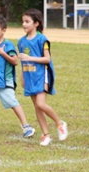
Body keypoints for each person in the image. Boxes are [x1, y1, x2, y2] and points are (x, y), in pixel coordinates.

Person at [17, 9, 68, 146]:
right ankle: (46, 135)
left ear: (36, 23)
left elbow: (47, 59)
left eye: (27, 21)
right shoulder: (21, 41)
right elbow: (23, 61)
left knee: (41, 104)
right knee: (37, 107)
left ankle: (60, 124)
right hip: (29, 76)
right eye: (23, 21)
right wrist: (22, 77)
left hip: (41, 75)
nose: (24, 24)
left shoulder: (42, 39)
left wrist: (29, 58)